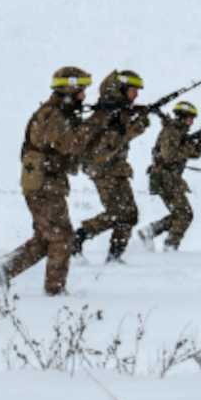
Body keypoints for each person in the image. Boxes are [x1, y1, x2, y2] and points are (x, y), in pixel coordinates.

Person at [0, 67, 95, 296]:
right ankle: (54, 292)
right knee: (61, 236)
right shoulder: (53, 116)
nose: (83, 97)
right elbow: (69, 145)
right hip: (44, 184)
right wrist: (96, 122)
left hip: (45, 183)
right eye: (80, 91)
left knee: (46, 238)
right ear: (68, 90)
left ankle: (0, 270)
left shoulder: (57, 114)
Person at [71, 70, 150, 263]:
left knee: (129, 214)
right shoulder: (106, 114)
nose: (136, 94)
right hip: (104, 171)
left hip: (116, 169)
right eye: (133, 90)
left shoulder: (118, 112)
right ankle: (77, 238)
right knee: (118, 214)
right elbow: (107, 148)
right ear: (121, 89)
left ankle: (115, 257)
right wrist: (135, 128)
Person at [137, 101, 201, 251]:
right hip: (165, 178)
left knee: (182, 214)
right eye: (190, 117)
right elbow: (169, 156)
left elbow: (193, 154)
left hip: (171, 178)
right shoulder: (172, 131)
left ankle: (151, 231)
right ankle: (170, 245)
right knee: (184, 214)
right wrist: (190, 145)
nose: (192, 121)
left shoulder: (179, 132)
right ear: (182, 117)